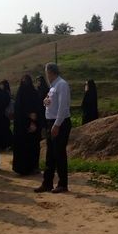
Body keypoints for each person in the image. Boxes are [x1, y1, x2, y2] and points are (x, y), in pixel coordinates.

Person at [35, 63, 71, 193]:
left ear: (50, 72)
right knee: (50, 154)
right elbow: (50, 101)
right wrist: (45, 102)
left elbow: (63, 107)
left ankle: (63, 184)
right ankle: (47, 183)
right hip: (52, 122)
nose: (46, 75)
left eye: (46, 72)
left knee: (59, 153)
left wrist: (57, 125)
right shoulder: (52, 86)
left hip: (60, 123)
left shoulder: (62, 84)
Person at [12, 75, 44, 175]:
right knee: (22, 148)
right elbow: (17, 111)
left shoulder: (34, 94)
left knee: (33, 147)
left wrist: (34, 122)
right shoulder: (20, 95)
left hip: (33, 127)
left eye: (27, 81)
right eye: (24, 81)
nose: (26, 84)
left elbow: (39, 109)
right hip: (22, 128)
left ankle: (33, 167)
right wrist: (28, 115)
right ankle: (21, 168)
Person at [0, 79, 13, 150]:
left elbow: (5, 102)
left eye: (1, 85)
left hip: (5, 114)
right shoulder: (3, 92)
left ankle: (9, 144)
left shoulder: (6, 93)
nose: (0, 86)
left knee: (5, 130)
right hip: (3, 114)